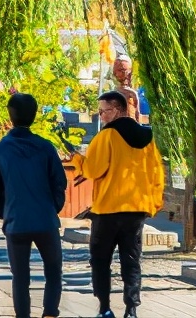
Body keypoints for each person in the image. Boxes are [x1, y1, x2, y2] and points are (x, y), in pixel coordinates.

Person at [69, 91, 164, 318]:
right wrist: (154, 203)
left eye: (103, 111)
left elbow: (93, 170)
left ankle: (104, 308)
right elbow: (157, 173)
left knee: (101, 261)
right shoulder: (148, 138)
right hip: (136, 210)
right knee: (131, 261)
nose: (100, 116)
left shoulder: (106, 136)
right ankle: (131, 309)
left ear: (118, 110)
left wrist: (77, 160)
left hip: (107, 210)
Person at [0, 93, 68, 318]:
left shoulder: (0, 149)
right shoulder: (46, 147)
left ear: (10, 116)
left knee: (20, 277)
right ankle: (50, 313)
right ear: (34, 114)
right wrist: (52, 207)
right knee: (53, 271)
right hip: (45, 219)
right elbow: (60, 182)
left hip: (16, 221)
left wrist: (1, 211)